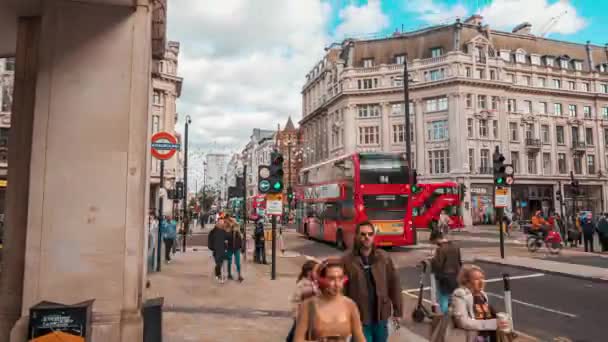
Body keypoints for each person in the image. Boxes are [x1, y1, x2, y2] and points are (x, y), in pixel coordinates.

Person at [342, 222, 402, 342]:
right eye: (363, 234)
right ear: (357, 236)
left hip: (380, 316)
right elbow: (342, 290)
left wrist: (397, 311)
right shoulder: (347, 260)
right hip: (359, 317)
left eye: (370, 234)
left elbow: (394, 284)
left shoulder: (383, 258)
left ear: (374, 236)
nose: (367, 237)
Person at [294, 258, 366, 342]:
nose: (337, 284)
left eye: (340, 278)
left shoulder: (350, 305)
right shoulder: (308, 305)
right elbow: (297, 339)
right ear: (321, 280)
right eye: (331, 279)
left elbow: (360, 338)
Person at [451, 265, 510, 342]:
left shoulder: (482, 294)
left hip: (489, 336)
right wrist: (492, 324)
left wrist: (500, 322)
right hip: (474, 338)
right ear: (467, 282)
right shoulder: (460, 295)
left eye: (482, 278)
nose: (481, 282)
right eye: (476, 279)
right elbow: (463, 322)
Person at [286, 260, 319, 342]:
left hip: (308, 316)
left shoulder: (313, 283)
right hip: (301, 315)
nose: (318, 273)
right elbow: (299, 296)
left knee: (294, 333)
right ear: (309, 272)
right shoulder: (303, 283)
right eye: (316, 271)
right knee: (296, 333)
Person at [430, 232, 462, 314]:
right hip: (456, 275)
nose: (435, 244)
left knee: (443, 298)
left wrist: (432, 260)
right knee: (454, 297)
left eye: (434, 242)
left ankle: (446, 318)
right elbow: (459, 261)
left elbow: (438, 265)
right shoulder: (456, 246)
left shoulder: (440, 249)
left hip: (445, 276)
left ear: (436, 239)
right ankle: (456, 315)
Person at [208, 218, 228, 283]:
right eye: (220, 223)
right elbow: (210, 241)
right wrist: (212, 247)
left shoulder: (224, 231)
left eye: (222, 223)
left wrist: (226, 248)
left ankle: (219, 275)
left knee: (220, 263)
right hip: (216, 250)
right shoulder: (213, 232)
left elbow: (227, 240)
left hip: (222, 250)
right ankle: (218, 275)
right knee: (218, 263)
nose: (221, 224)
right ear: (217, 223)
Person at [225, 215, 244, 282]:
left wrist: (241, 247)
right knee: (229, 262)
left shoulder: (237, 228)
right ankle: (229, 274)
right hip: (229, 248)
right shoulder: (227, 229)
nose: (230, 223)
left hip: (236, 248)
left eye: (231, 221)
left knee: (238, 262)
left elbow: (241, 238)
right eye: (229, 221)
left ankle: (239, 275)